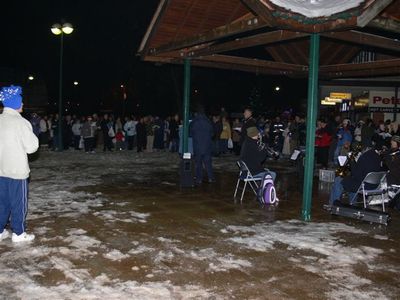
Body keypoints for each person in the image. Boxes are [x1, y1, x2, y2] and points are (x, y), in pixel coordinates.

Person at [0, 85, 39, 242]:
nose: (23, 104)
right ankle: (18, 232)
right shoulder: (21, 123)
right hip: (17, 171)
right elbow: (32, 147)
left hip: (0, 170)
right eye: (21, 102)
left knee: (2, 202)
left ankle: (0, 231)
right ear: (16, 103)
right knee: (18, 203)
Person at [190, 107, 215, 185]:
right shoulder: (208, 121)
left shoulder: (194, 122)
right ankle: (211, 178)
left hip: (197, 146)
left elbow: (190, 134)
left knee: (198, 164)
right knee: (208, 163)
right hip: (207, 147)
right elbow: (212, 134)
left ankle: (199, 179)